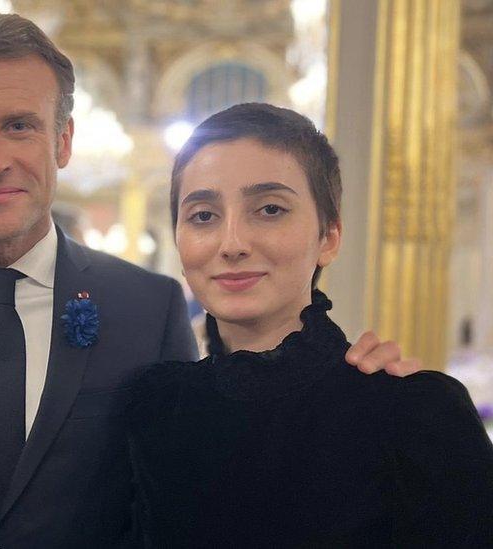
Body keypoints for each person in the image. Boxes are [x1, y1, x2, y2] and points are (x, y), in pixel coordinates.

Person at [0, 10, 410, 548]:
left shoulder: (146, 306)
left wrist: (353, 387)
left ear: (64, 141)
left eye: (20, 125)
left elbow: (197, 479)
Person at [128, 103, 493, 546]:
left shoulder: (414, 408)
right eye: (204, 215)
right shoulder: (153, 405)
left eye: (269, 209)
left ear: (329, 237)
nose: (232, 243)